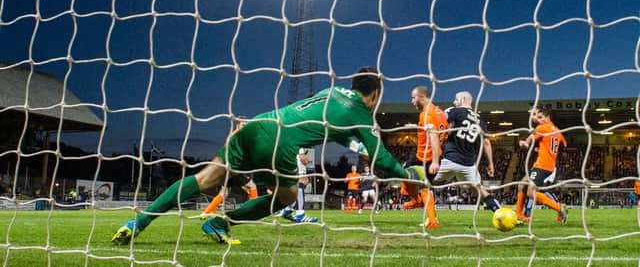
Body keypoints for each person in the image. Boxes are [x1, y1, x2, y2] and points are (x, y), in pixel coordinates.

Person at [111, 67, 424, 245]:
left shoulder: (330, 91)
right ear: (374, 95)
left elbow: (330, 124)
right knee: (287, 195)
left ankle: (136, 223)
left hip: (256, 124)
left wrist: (351, 141)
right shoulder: (364, 116)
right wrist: (412, 176)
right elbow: (383, 162)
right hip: (278, 144)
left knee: (204, 178)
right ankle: (222, 222)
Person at [432, 91, 501, 213]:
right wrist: (491, 164)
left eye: (456, 99)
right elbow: (486, 143)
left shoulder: (455, 111)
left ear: (463, 99)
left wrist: (438, 135)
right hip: (468, 165)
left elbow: (440, 121)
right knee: (481, 190)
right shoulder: (481, 121)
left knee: (424, 180)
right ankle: (500, 212)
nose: (454, 102)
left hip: (449, 159)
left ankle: (430, 216)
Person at [400, 86, 448, 228]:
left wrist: (434, 161)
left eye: (413, 98)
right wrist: (417, 126)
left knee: (423, 186)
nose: (412, 101)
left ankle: (432, 221)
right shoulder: (439, 112)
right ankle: (417, 200)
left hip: (427, 158)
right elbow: (441, 131)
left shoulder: (426, 114)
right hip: (421, 155)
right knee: (401, 173)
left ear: (422, 97)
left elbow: (433, 134)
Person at [515, 106, 568, 224]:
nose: (538, 120)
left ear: (547, 117)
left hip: (542, 166)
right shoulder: (558, 131)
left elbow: (529, 139)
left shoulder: (542, 128)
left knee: (530, 192)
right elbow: (564, 144)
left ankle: (559, 208)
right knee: (521, 184)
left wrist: (525, 143)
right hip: (548, 166)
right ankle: (519, 215)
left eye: (541, 117)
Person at [280, 148, 318, 223]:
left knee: (296, 192)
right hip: (298, 173)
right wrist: (305, 156)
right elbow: (304, 160)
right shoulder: (299, 147)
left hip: (290, 171)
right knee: (299, 190)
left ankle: (287, 210)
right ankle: (300, 215)